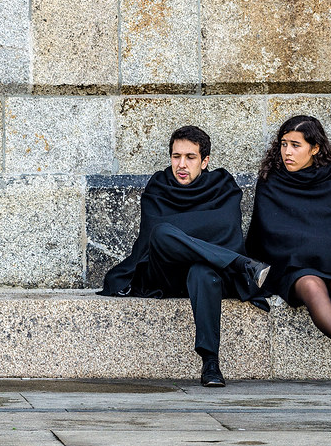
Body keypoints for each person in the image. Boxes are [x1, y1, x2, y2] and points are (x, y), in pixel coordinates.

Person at [99, 125, 270, 388]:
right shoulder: (159, 185)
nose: (181, 164)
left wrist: (186, 234)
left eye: (190, 157)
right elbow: (154, 237)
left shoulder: (222, 186)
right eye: (176, 156)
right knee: (162, 232)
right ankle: (241, 264)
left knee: (202, 271)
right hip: (165, 273)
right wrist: (197, 231)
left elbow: (225, 228)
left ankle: (210, 363)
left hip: (209, 272)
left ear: (205, 161)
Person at [246, 115, 331, 387]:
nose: (287, 152)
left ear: (315, 148)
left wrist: (325, 246)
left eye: (295, 145)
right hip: (294, 262)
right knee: (311, 286)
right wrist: (310, 245)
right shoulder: (272, 179)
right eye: (283, 144)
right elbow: (269, 230)